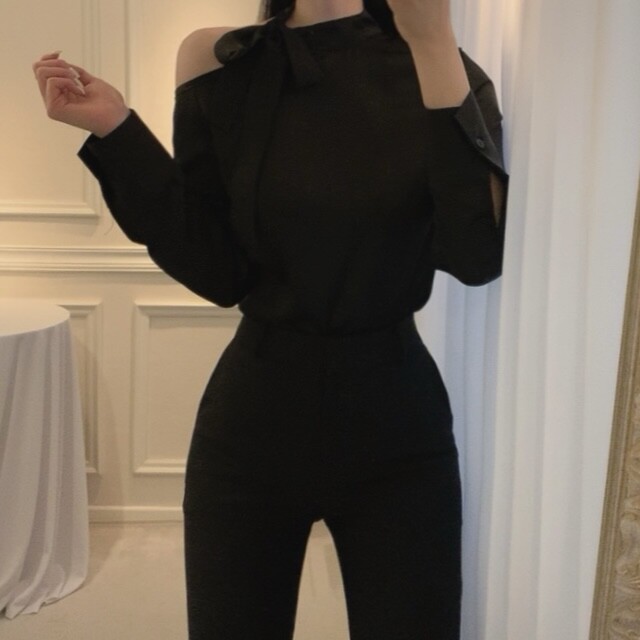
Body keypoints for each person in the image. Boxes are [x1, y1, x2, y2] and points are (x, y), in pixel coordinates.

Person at [33, 0, 507, 637]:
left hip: (398, 426)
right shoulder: (219, 59)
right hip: (253, 422)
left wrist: (433, 42)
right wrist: (116, 130)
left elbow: (476, 256)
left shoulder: (444, 63)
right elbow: (217, 269)